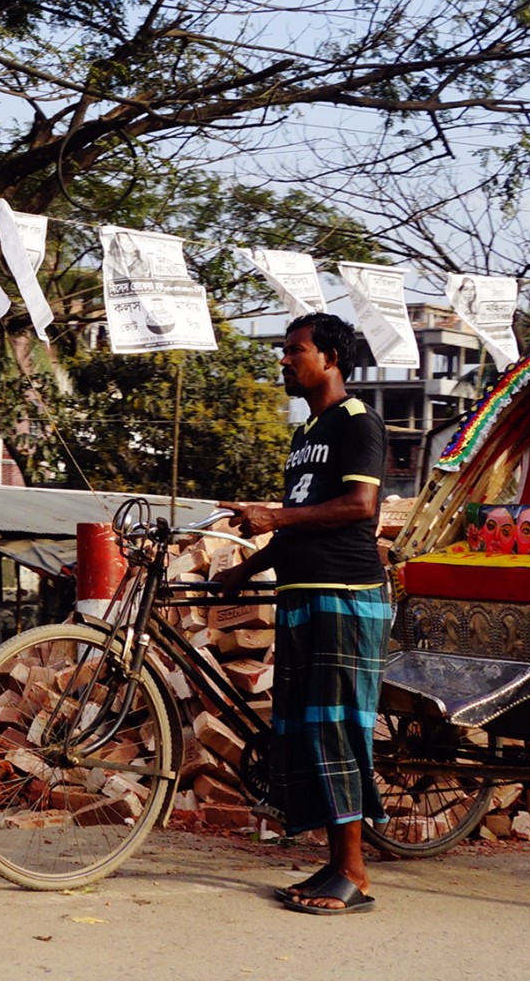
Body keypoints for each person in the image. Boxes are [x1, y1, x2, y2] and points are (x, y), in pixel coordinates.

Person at [218, 311, 390, 916]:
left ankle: (357, 874)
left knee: (335, 726)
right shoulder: (305, 436)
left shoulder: (357, 420)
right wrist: (244, 569)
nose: (286, 361)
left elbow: (359, 505)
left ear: (331, 358)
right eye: (286, 351)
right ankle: (334, 862)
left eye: (296, 351)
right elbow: (294, 526)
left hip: (344, 594)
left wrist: (276, 516)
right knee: (299, 727)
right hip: (301, 594)